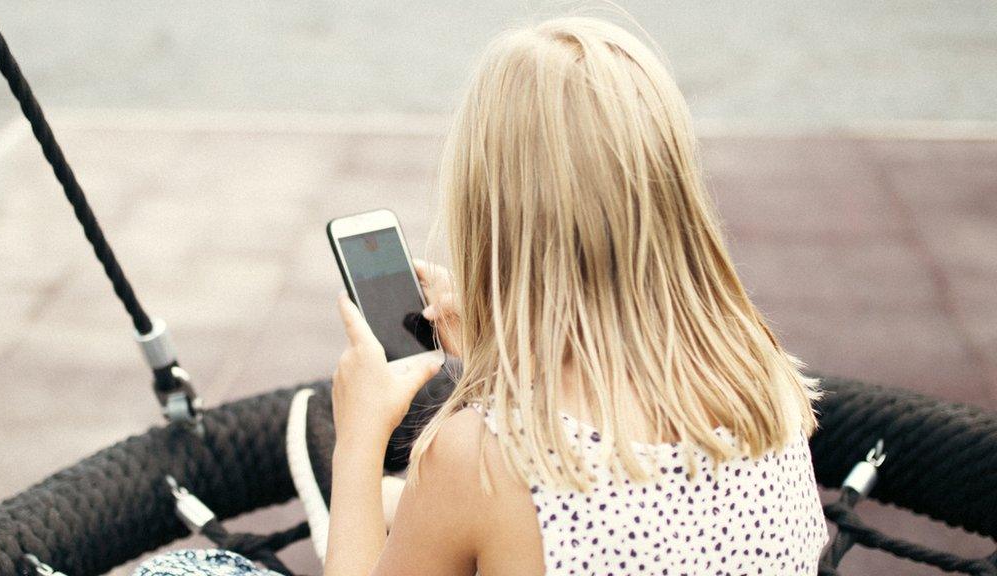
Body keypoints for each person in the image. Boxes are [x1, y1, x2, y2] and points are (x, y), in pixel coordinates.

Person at [310, 14, 829, 576]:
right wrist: (501, 340)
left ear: (488, 214)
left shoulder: (481, 461)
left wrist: (358, 443)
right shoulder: (762, 376)